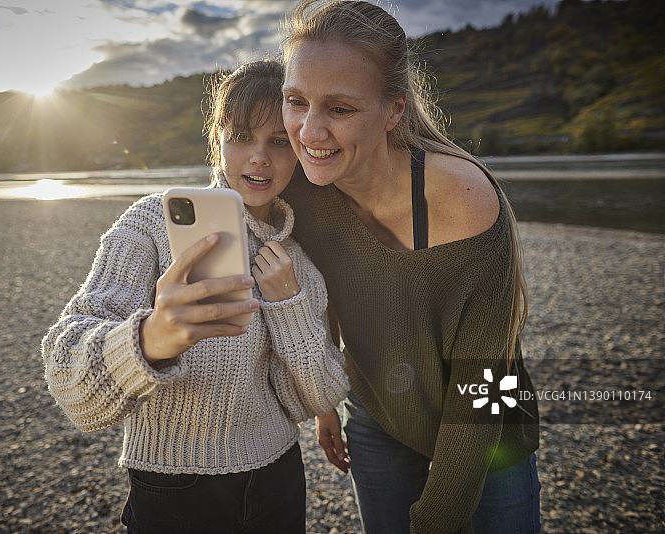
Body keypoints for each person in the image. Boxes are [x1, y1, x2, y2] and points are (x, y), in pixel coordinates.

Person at [41, 59, 349, 534]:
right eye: (241, 136)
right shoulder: (150, 225)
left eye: (279, 142)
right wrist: (151, 339)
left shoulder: (298, 260)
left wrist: (289, 306)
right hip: (173, 489)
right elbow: (69, 377)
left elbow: (319, 393)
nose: (259, 158)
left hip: (278, 478)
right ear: (218, 141)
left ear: (302, 150)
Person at [279, 2, 541, 533]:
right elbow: (320, 287)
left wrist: (436, 519)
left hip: (491, 424)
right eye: (295, 101)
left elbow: (483, 384)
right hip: (377, 411)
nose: (309, 131)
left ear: (394, 110)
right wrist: (327, 401)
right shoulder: (306, 188)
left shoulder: (463, 198)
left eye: (340, 109)